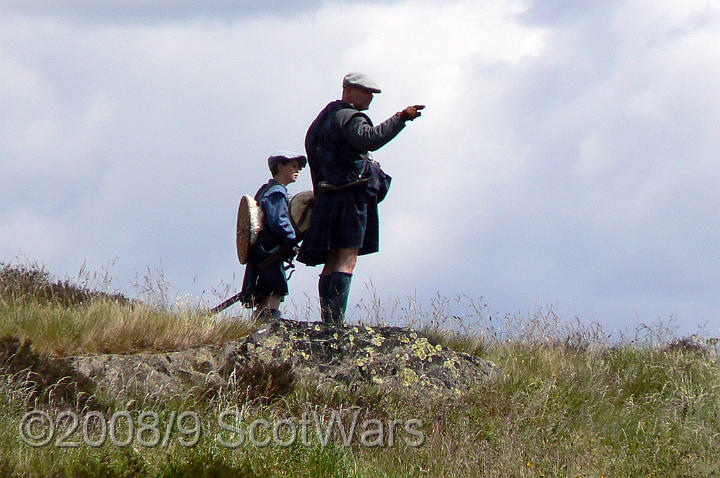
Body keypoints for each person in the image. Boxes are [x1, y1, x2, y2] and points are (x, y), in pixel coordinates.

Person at [297, 72, 424, 324]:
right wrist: (401, 118)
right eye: (367, 92)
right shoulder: (350, 118)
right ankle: (335, 324)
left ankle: (328, 321)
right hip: (351, 196)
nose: (370, 98)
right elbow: (371, 139)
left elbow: (315, 161)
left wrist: (319, 193)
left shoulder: (320, 123)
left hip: (328, 196)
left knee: (332, 260)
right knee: (346, 258)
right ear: (349, 90)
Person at [239, 151, 306, 320]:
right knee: (275, 288)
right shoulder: (276, 192)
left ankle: (261, 321)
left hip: (264, 249)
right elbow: (278, 220)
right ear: (280, 167)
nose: (297, 170)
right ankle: (269, 324)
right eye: (293, 166)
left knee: (264, 289)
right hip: (270, 249)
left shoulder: (267, 190)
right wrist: (292, 239)